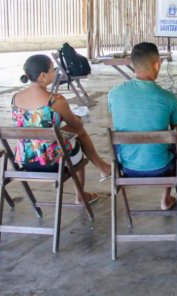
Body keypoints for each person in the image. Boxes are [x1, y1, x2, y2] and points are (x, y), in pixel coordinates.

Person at [108, 42, 177, 211]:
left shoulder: (114, 94)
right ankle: (165, 199)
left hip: (126, 168)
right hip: (162, 168)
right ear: (157, 64)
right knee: (170, 142)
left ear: (132, 64)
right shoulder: (169, 98)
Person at [12, 54, 111, 204]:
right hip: (50, 162)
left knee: (70, 134)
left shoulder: (15, 98)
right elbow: (76, 125)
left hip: (26, 160)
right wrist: (75, 118)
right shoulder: (54, 100)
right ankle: (82, 194)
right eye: (53, 69)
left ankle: (102, 168)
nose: (55, 72)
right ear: (43, 76)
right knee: (77, 137)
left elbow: (32, 123)